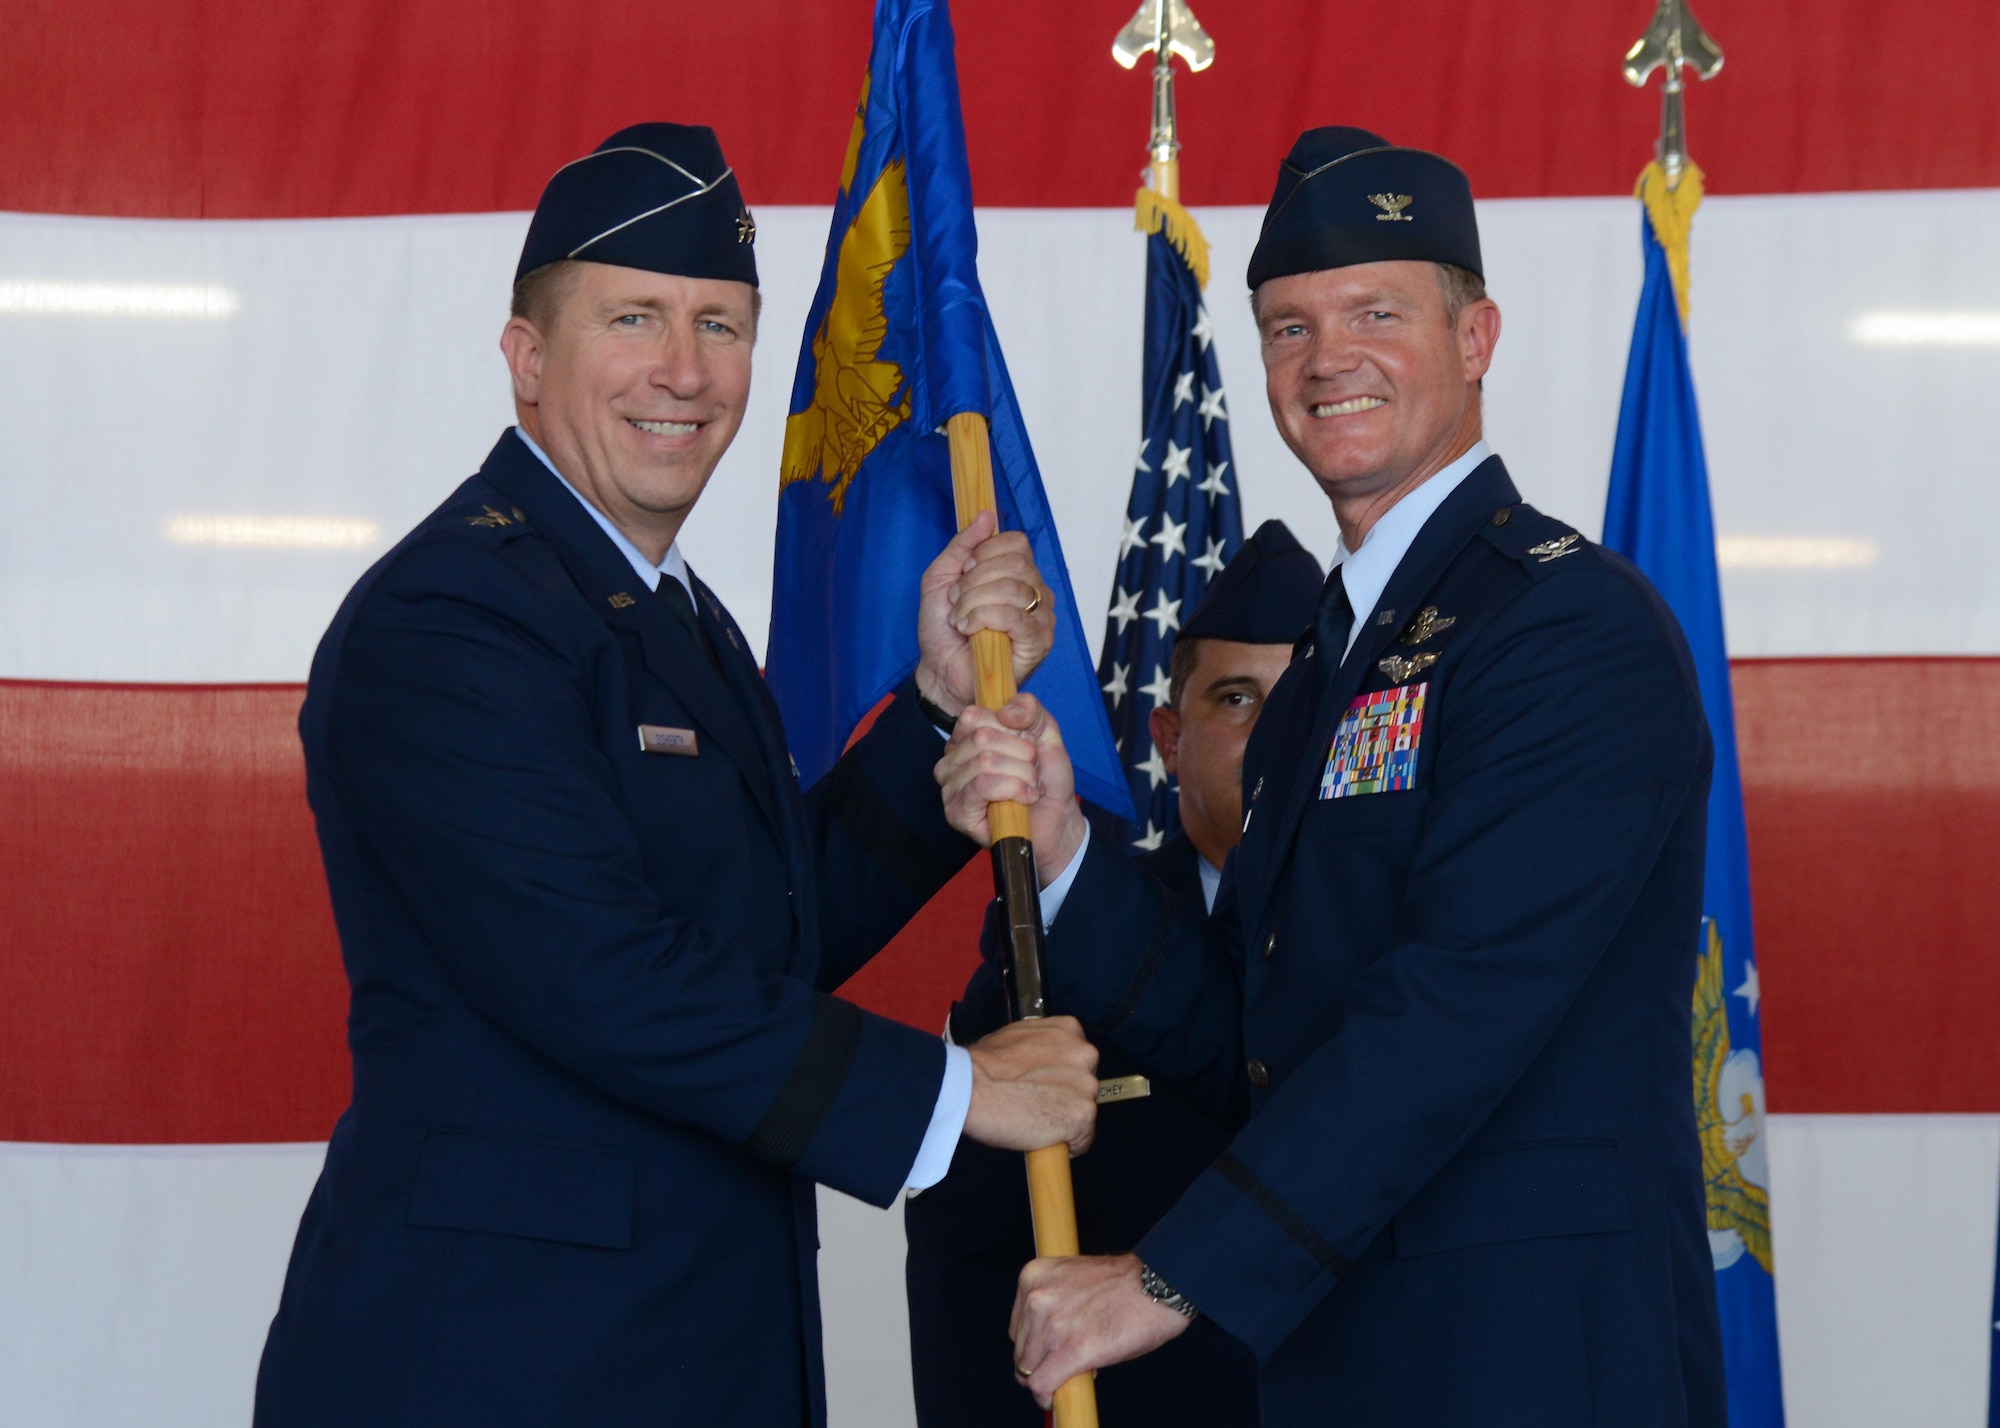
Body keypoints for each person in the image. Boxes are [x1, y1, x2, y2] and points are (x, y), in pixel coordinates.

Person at [252, 124, 1099, 1428]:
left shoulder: (664, 614)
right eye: (636, 318)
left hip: (683, 1348)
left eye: (722, 323)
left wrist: (935, 711)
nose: (686, 371)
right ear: (528, 357)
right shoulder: (453, 615)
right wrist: (957, 1095)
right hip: (496, 1368)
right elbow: (599, 971)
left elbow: (758, 936)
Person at [937, 127, 1727, 1427]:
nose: (1329, 360)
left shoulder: (1570, 629)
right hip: (1343, 1354)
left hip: (1529, 1365)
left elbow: (1454, 1010)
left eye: (1376, 312)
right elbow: (1258, 1029)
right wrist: (1070, 840)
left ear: (1477, 338)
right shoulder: (1330, 667)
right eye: (1290, 326)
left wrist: (1173, 1275)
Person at [907, 520, 1322, 1428]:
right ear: (1168, 737)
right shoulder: (1047, 938)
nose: (1271, 739)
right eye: (1240, 700)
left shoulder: (1389, 939)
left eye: (1302, 706)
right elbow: (967, 1265)